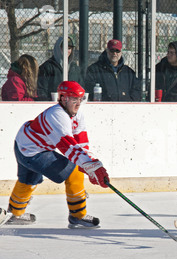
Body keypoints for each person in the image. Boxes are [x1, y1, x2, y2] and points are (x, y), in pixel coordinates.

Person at [0, 81, 109, 229]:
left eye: (80, 99)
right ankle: (78, 215)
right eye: (74, 99)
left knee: (29, 179)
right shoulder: (56, 115)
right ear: (63, 99)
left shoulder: (77, 114)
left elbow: (81, 143)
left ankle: (16, 213)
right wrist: (90, 166)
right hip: (32, 151)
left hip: (24, 145)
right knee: (73, 171)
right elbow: (68, 146)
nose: (78, 103)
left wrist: (90, 165)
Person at [37, 36, 84, 101]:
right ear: (58, 49)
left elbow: (81, 88)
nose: (67, 51)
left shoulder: (74, 68)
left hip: (71, 105)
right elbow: (41, 90)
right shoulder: (47, 67)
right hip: (53, 105)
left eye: (69, 48)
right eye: (64, 48)